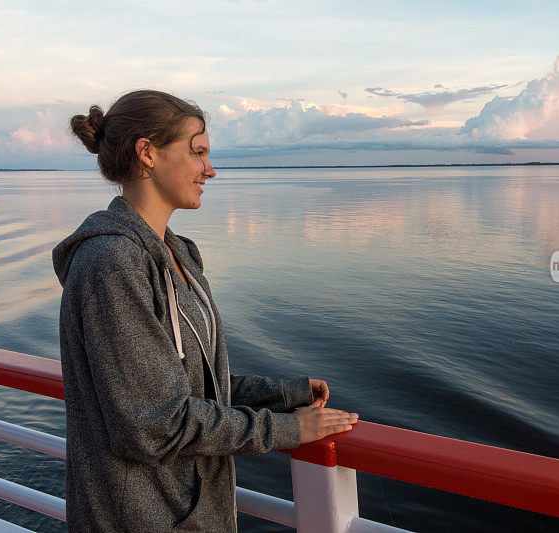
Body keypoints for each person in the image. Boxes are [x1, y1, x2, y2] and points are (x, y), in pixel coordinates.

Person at [52, 89, 359, 532]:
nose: (210, 170)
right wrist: (290, 430)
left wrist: (282, 394)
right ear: (147, 153)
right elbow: (154, 424)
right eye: (197, 152)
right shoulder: (112, 265)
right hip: (141, 520)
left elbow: (189, 387)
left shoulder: (179, 254)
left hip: (188, 515)